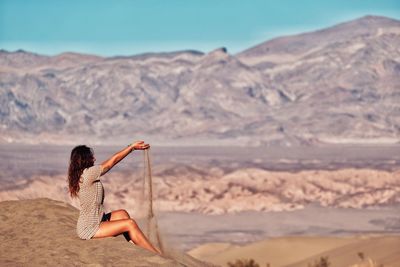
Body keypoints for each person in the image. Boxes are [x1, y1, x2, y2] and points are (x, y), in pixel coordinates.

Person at [67, 141, 161, 254]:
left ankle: (136, 246)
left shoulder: (82, 174)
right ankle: (156, 255)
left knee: (122, 214)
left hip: (98, 219)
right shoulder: (87, 174)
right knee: (129, 223)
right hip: (89, 228)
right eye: (91, 157)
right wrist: (131, 148)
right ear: (84, 159)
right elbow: (111, 162)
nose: (94, 159)